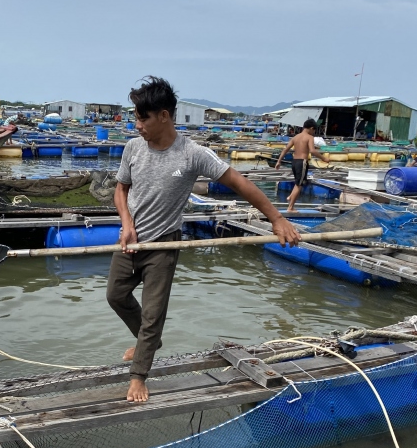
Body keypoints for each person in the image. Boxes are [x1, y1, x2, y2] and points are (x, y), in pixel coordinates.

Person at [108, 76, 301, 403]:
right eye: (136, 117)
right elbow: (121, 189)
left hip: (164, 246)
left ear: (164, 116)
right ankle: (149, 343)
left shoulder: (192, 154)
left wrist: (277, 218)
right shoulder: (133, 148)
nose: (136, 124)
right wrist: (126, 223)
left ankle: (139, 374)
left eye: (143, 118)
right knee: (116, 295)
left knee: (153, 314)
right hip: (132, 239)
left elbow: (240, 183)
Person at [274, 119, 329, 212]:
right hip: (302, 162)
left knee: (297, 182)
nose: (314, 132)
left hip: (294, 162)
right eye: (314, 130)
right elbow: (312, 151)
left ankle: (290, 196)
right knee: (299, 185)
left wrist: (278, 161)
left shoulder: (295, 137)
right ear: (311, 128)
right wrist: (324, 158)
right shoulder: (309, 137)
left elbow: (285, 149)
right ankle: (290, 207)